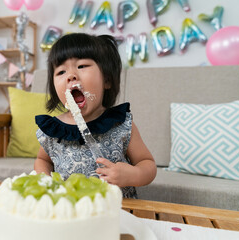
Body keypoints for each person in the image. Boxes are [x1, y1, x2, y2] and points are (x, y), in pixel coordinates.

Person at [34, 33, 156, 198]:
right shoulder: (52, 130)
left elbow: (148, 164)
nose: (71, 75)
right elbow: (43, 160)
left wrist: (132, 175)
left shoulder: (120, 124)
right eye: (61, 71)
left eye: (82, 66)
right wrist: (45, 179)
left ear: (106, 80)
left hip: (117, 212)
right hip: (69, 211)